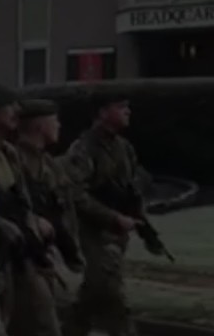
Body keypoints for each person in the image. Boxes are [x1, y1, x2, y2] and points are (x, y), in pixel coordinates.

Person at [62, 95, 163, 336]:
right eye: (121, 107)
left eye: (128, 106)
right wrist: (112, 217)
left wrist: (139, 218)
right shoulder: (84, 148)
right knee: (112, 293)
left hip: (118, 231)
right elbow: (75, 194)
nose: (128, 111)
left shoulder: (124, 147)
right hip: (92, 231)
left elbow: (133, 186)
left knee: (95, 290)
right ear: (103, 112)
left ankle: (71, 330)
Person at [9, 99, 87, 336]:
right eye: (55, 122)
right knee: (41, 324)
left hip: (49, 252)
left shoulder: (49, 164)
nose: (59, 127)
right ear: (41, 127)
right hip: (25, 258)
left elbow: (65, 206)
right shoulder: (15, 160)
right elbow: (11, 205)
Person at [0, 85, 26, 336]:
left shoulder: (10, 153)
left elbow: (21, 201)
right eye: (9, 107)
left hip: (12, 250)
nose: (16, 112)